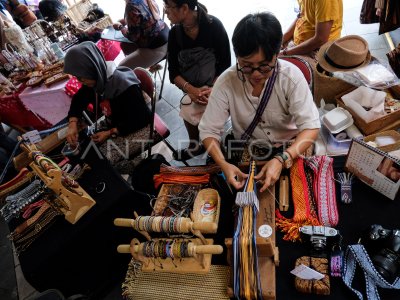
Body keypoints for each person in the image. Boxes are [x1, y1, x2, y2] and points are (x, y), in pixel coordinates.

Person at [199, 12, 321, 192]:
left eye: (264, 66)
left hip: (292, 146)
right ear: (237, 57)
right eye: (246, 66)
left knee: (301, 196)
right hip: (250, 147)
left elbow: (311, 127)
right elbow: (208, 130)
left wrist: (283, 158)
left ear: (277, 54)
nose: (256, 74)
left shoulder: (291, 78)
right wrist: (223, 163)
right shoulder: (226, 82)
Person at [64, 41, 152, 173]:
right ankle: (133, 165)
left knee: (98, 162)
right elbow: (78, 99)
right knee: (86, 149)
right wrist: (72, 123)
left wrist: (110, 132)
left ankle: (140, 166)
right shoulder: (97, 80)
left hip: (141, 127)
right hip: (117, 122)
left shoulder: (123, 84)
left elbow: (142, 118)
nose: (79, 81)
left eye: (81, 77)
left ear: (92, 68)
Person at [163, 0, 231, 161]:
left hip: (218, 85)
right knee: (188, 107)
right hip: (193, 89)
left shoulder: (214, 26)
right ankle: (195, 147)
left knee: (212, 115)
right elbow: (173, 74)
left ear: (184, 8)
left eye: (168, 7)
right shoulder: (175, 34)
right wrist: (191, 90)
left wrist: (213, 88)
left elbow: (226, 65)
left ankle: (218, 153)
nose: (165, 12)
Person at [113, 0, 169, 70]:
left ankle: (147, 68)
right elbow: (145, 16)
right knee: (124, 45)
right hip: (166, 37)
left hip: (156, 48)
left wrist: (120, 27)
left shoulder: (131, 6)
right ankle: (149, 66)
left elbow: (133, 37)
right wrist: (127, 20)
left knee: (121, 68)